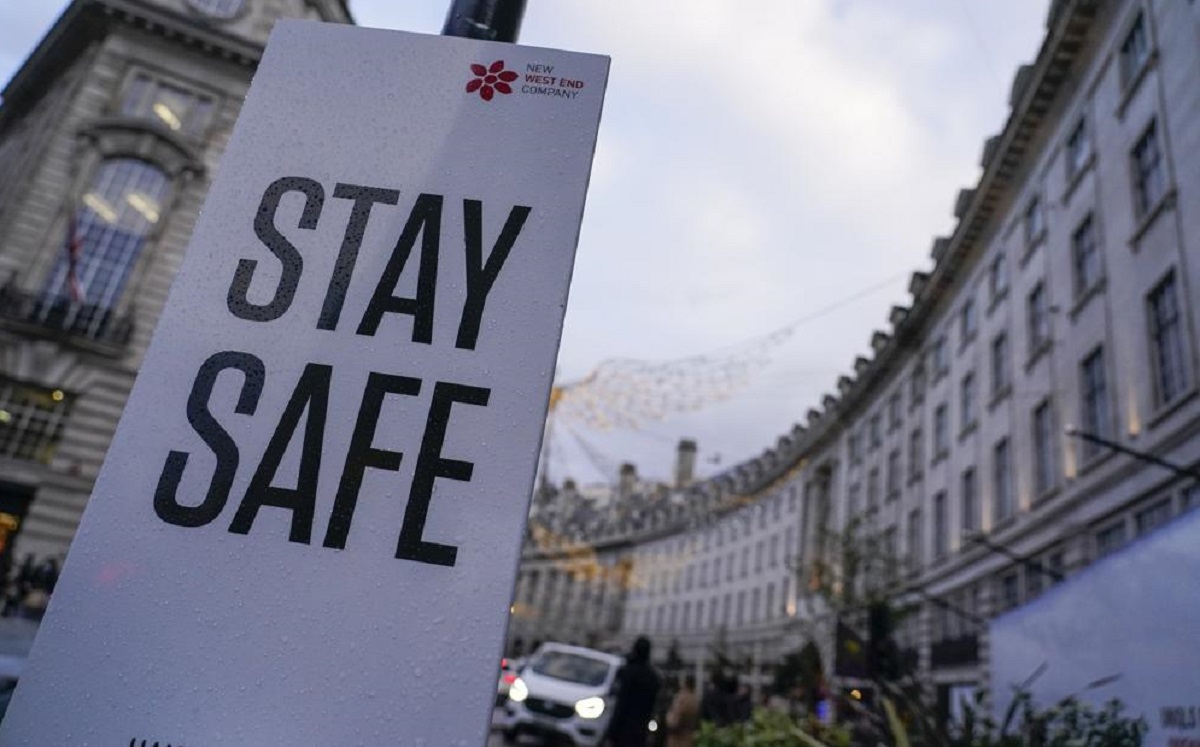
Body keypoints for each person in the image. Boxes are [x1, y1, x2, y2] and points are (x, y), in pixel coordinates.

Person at [606, 636, 661, 747]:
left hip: (624, 728)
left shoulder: (629, 672)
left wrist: (611, 733)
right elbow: (654, 707)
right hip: (641, 730)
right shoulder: (653, 677)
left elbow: (621, 704)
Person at [665, 674, 699, 747]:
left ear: (684, 683)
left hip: (677, 739)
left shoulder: (681, 698)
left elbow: (675, 720)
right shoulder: (694, 699)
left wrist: (668, 717)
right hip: (689, 738)